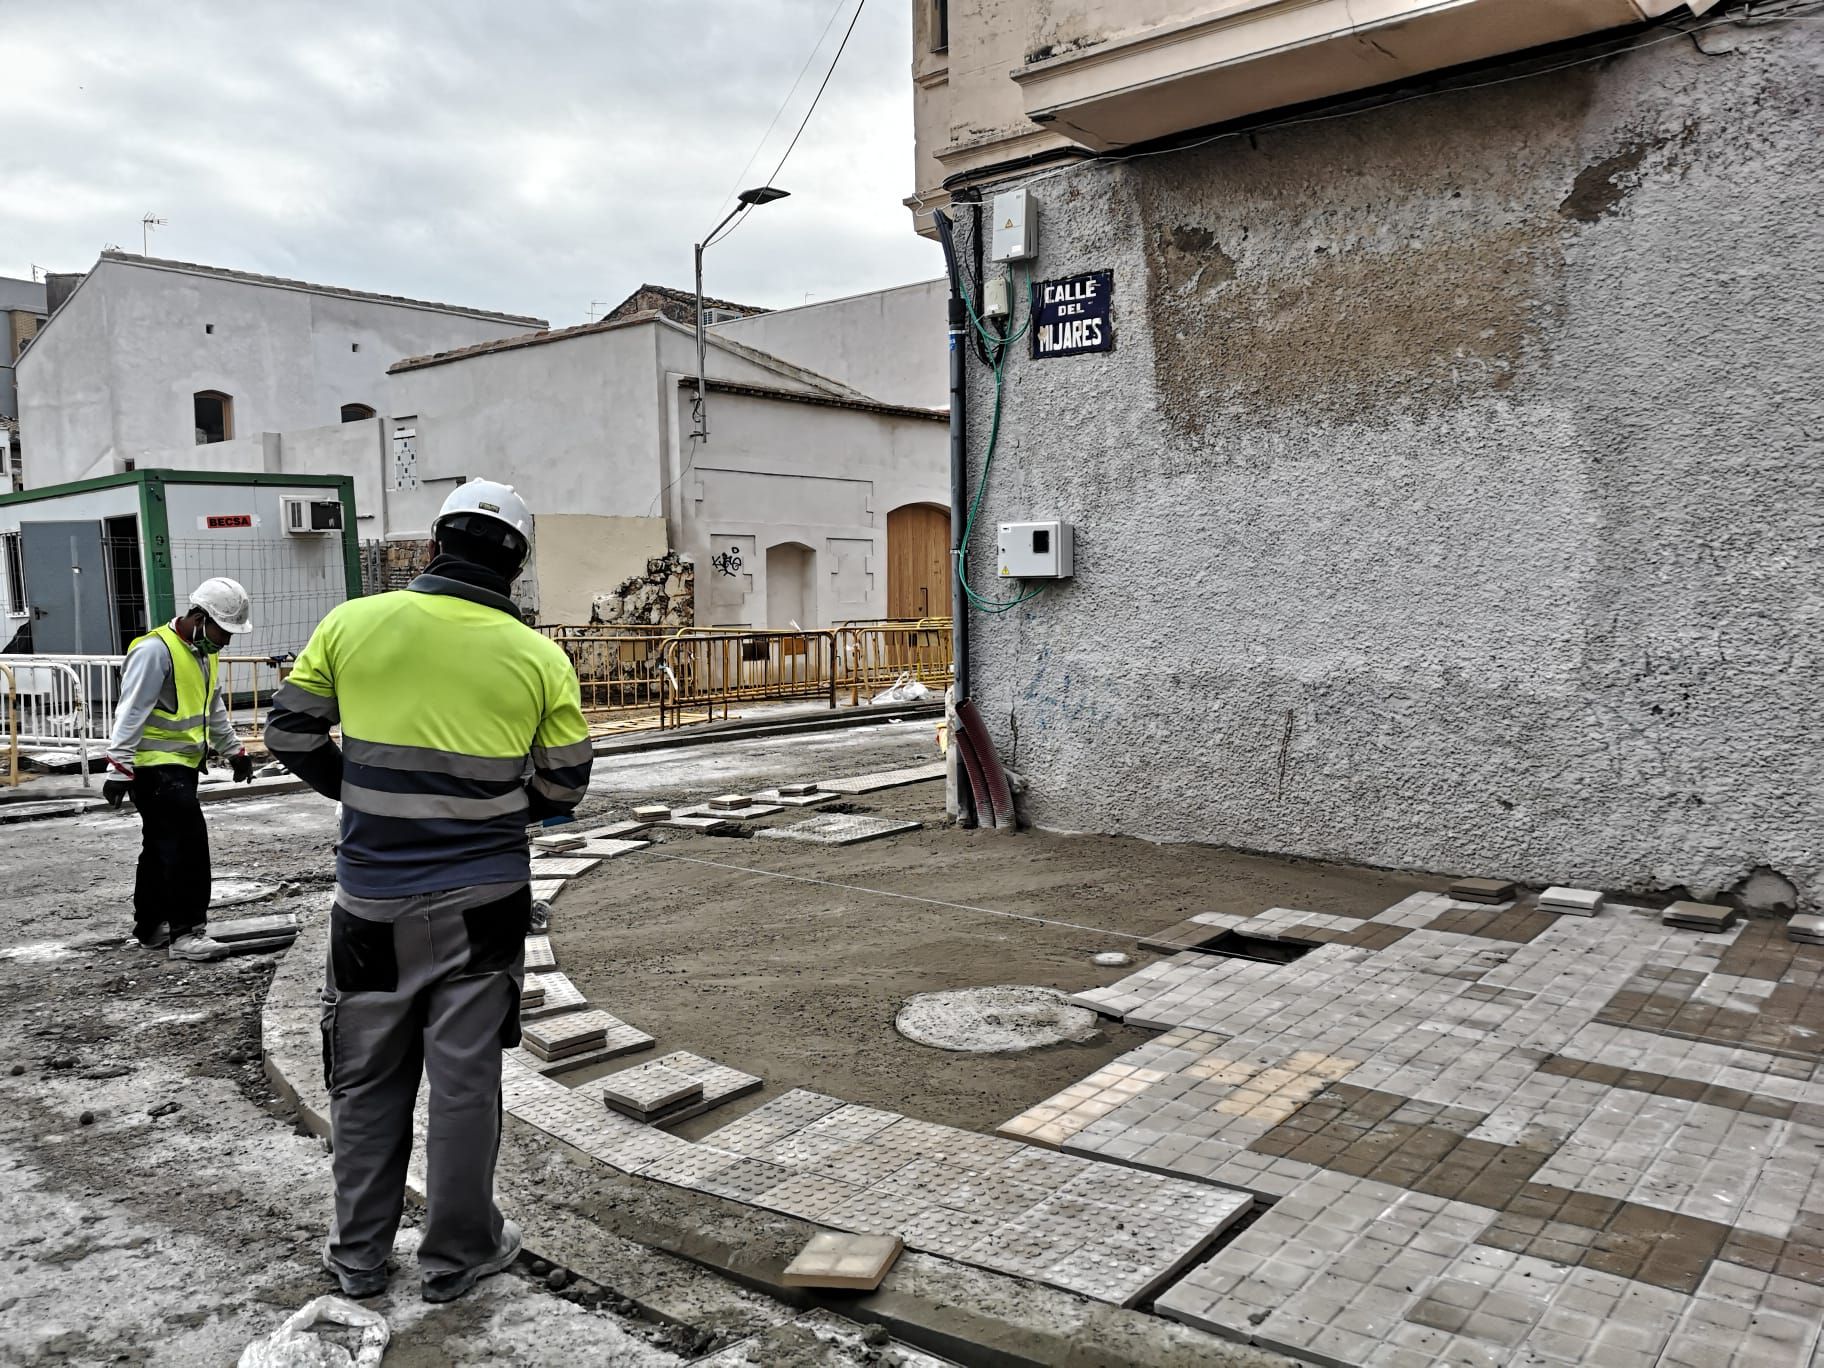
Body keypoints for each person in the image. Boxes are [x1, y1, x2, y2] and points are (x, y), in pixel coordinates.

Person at [264, 479, 591, 1304]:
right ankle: (456, 1258)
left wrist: (363, 794)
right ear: (515, 565)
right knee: (465, 1082)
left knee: (367, 1082)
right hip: (484, 905)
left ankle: (360, 1261)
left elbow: (288, 732)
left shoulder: (351, 624)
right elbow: (563, 792)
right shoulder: (539, 658)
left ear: (436, 541)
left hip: (369, 905)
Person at [103, 578, 256, 961]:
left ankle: (152, 927)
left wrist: (233, 749)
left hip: (181, 767)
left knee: (159, 848)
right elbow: (131, 710)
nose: (227, 641)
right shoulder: (156, 651)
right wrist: (119, 767)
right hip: (153, 768)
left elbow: (212, 707)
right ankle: (187, 931)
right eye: (224, 631)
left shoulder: (206, 654)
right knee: (188, 847)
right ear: (200, 617)